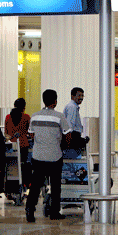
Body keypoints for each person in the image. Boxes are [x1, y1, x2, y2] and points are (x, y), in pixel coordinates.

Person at [25, 89, 72, 222]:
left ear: (44, 100)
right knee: (55, 185)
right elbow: (67, 135)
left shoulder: (34, 116)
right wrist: (62, 145)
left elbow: (32, 135)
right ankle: (54, 212)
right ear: (55, 101)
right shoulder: (59, 116)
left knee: (35, 185)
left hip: (38, 156)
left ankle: (30, 210)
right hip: (54, 156)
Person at [4, 97, 32, 199]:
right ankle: (25, 186)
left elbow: (6, 133)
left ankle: (10, 189)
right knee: (23, 166)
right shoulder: (26, 117)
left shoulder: (8, 117)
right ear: (24, 107)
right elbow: (29, 131)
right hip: (23, 145)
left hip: (11, 146)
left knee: (11, 167)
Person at [63, 87, 88, 156]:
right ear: (72, 96)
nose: (81, 98)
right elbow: (69, 126)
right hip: (73, 138)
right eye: (79, 95)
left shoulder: (73, 107)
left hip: (74, 137)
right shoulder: (72, 107)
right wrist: (70, 143)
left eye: (82, 95)